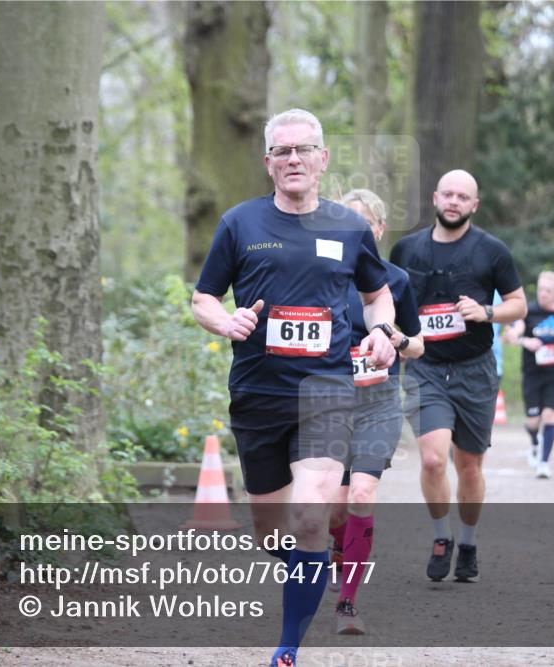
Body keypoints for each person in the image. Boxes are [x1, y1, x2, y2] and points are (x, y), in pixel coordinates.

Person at [191, 109, 397, 667]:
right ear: (268, 163)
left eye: (304, 150)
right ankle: (309, 565)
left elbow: (378, 295)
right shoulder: (240, 224)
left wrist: (381, 329)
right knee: (270, 531)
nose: (294, 159)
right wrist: (224, 322)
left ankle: (287, 650)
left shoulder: (348, 228)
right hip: (258, 395)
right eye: (282, 152)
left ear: (323, 159)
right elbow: (204, 297)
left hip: (326, 390)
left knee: (310, 516)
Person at [389, 169, 526, 583]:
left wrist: (486, 312)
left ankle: (468, 542)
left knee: (469, 467)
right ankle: (440, 537)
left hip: (475, 370)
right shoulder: (406, 250)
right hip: (425, 368)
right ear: (435, 198)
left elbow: (519, 305)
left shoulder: (492, 251)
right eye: (447, 194)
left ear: (474, 205)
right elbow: (387, 303)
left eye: (462, 197)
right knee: (432, 459)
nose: (453, 201)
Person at [327, 189, 424, 635]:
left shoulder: (396, 280)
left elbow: (419, 345)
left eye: (363, 223)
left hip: (377, 404)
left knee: (362, 494)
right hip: (325, 404)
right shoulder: (319, 274)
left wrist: (398, 342)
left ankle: (348, 602)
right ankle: (336, 549)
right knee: (335, 509)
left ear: (379, 230)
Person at [504, 271, 554, 479]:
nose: (543, 294)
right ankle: (535, 442)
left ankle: (544, 463)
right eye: (540, 289)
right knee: (533, 421)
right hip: (532, 374)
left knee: (549, 416)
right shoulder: (528, 313)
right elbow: (513, 332)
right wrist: (522, 340)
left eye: (548, 290)